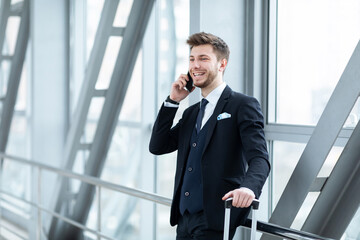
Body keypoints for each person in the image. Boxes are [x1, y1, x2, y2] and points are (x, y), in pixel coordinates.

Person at [149, 32, 270, 240]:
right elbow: (158, 146)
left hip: (216, 216)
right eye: (192, 59)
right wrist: (173, 101)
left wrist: (249, 188)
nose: (195, 65)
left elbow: (260, 158)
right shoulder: (191, 113)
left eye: (204, 59)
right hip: (184, 218)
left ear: (221, 64)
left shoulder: (242, 105)